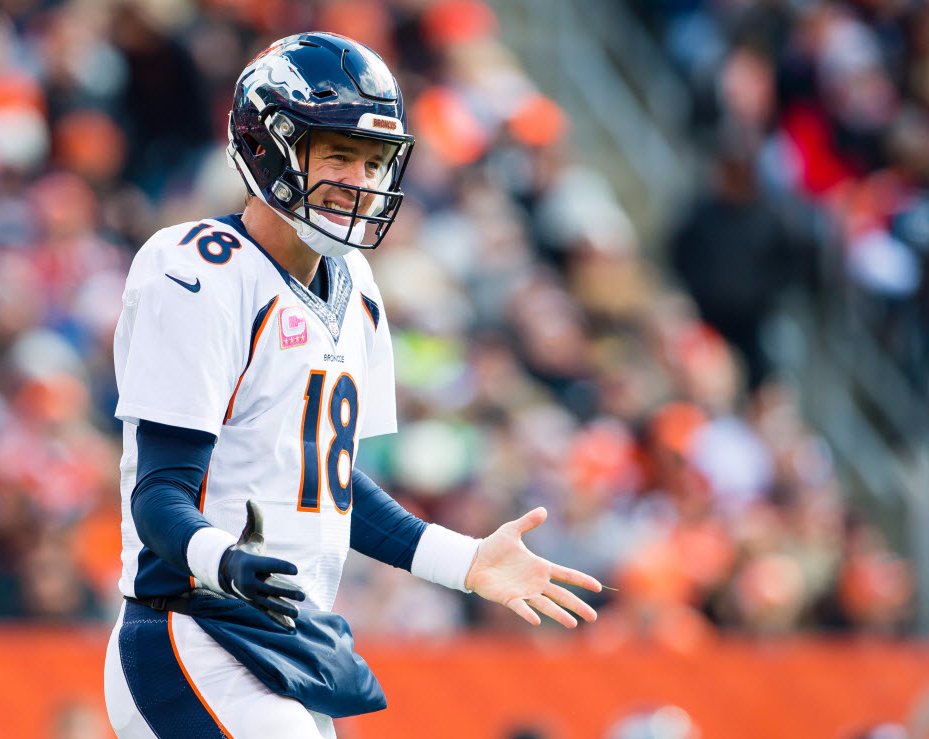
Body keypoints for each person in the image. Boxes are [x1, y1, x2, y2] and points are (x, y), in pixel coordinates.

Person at [103, 32, 601, 739]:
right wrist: (228, 560)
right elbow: (158, 494)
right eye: (339, 153)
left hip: (291, 643)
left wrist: (463, 560)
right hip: (194, 633)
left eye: (374, 161)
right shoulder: (200, 269)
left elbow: (333, 485)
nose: (361, 180)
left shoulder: (356, 286)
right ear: (269, 145)